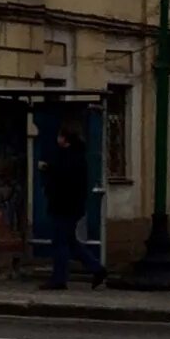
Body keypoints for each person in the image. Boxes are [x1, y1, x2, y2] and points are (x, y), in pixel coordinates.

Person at [40, 121, 107, 289]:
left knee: (60, 242)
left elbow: (62, 179)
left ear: (65, 138)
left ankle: (59, 279)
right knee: (70, 241)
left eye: (60, 136)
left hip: (64, 206)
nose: (57, 139)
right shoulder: (77, 155)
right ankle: (96, 268)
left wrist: (48, 169)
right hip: (71, 206)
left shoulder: (69, 157)